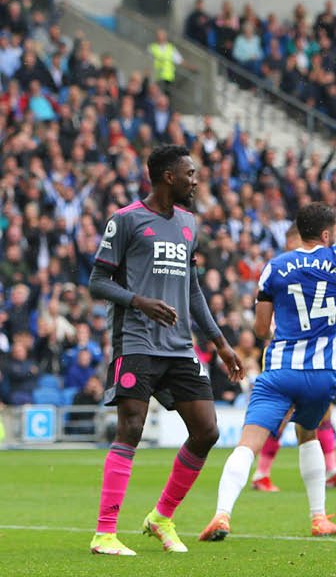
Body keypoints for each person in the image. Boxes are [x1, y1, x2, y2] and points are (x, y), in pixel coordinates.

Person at [198, 139, 336, 541]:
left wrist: (280, 332)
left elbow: (259, 329)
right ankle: (318, 517)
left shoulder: (274, 267)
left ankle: (222, 514)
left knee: (249, 441)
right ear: (328, 233)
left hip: (281, 368)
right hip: (324, 372)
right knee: (308, 433)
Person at [88, 144, 244, 556]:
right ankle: (105, 533)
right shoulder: (125, 221)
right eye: (189, 174)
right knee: (132, 428)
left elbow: (192, 290)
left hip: (178, 346)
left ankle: (160, 516)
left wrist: (221, 343)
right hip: (136, 340)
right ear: (168, 177)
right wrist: (138, 301)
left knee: (207, 430)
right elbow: (97, 282)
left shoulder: (189, 224)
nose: (196, 181)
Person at [251, 223, 336, 493]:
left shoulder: (308, 271)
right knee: (284, 416)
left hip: (322, 354)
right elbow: (264, 323)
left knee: (325, 414)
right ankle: (261, 473)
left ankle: (332, 470)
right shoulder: (283, 273)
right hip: (291, 355)